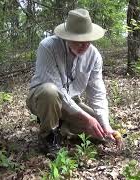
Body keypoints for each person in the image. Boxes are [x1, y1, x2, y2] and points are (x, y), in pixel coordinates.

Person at [26, 8, 121, 158]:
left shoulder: (94, 56)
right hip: (43, 98)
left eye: (87, 40)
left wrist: (105, 124)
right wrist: (85, 118)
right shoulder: (48, 46)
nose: (84, 45)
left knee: (100, 134)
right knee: (50, 92)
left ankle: (62, 126)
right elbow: (56, 89)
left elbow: (97, 93)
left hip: (72, 101)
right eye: (78, 40)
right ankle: (49, 136)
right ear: (67, 36)